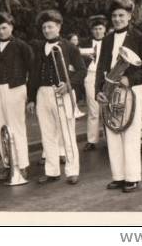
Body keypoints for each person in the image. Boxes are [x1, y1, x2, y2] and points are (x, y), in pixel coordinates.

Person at [95, 0, 142, 193]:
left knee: (130, 133)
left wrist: (131, 79)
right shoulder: (107, 39)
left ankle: (133, 177)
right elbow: (100, 68)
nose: (118, 19)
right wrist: (98, 91)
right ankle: (119, 177)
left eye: (122, 15)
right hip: (110, 90)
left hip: (130, 89)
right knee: (112, 132)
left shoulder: (138, 37)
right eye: (114, 15)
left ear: (129, 15)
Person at [27, 10, 86, 185]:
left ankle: (72, 170)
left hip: (62, 93)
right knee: (47, 135)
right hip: (42, 94)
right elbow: (33, 74)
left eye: (50, 26)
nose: (46, 30)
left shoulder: (69, 47)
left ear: (58, 27)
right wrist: (31, 98)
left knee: (67, 133)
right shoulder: (38, 47)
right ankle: (52, 171)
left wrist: (69, 85)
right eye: (44, 27)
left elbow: (82, 71)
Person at [0, 12, 33, 182]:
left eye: (4, 28)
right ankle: (8, 165)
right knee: (0, 128)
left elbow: (31, 69)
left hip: (15, 89)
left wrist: (30, 95)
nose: (1, 31)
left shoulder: (21, 46)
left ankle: (22, 165)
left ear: (11, 27)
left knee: (16, 127)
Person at [80, 15, 107, 151]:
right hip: (90, 75)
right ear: (92, 31)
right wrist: (86, 57)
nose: (97, 31)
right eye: (95, 29)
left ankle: (110, 137)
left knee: (108, 107)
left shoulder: (110, 42)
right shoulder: (85, 43)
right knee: (93, 108)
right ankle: (92, 140)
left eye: (100, 28)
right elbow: (77, 59)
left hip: (107, 76)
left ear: (104, 29)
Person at [66, 33, 86, 119]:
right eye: (73, 40)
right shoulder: (67, 49)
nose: (75, 41)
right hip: (70, 73)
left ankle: (75, 110)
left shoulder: (78, 49)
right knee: (72, 93)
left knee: (76, 93)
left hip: (77, 74)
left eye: (76, 40)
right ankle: (74, 110)